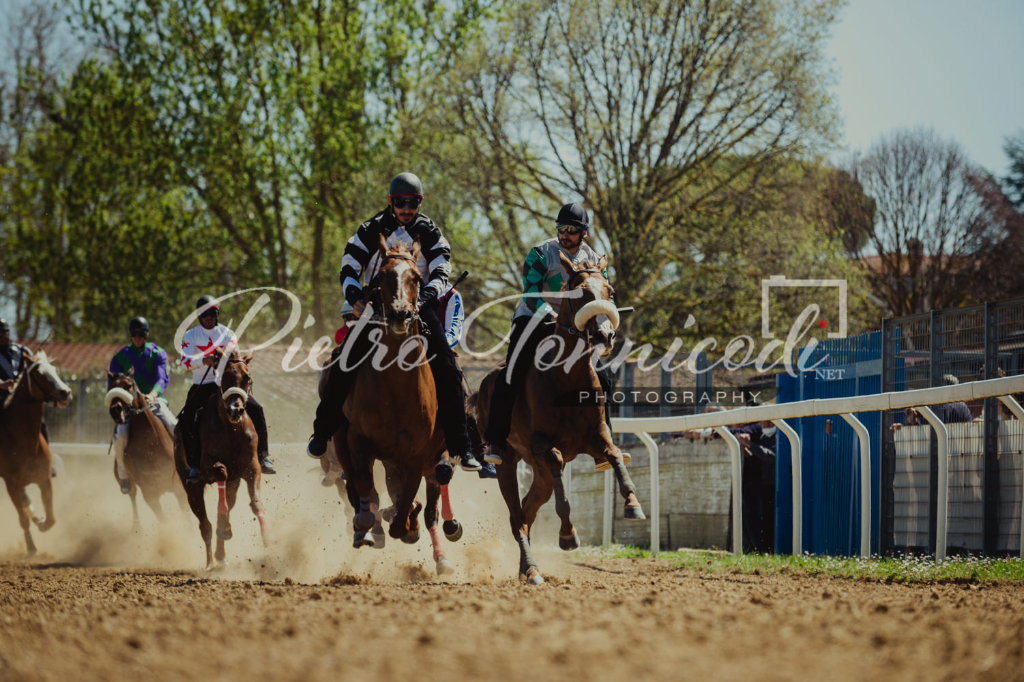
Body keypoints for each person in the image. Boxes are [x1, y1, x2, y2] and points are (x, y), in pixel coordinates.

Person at [306, 172, 483, 482]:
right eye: (400, 203)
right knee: (342, 361)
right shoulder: (370, 229)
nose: (406, 209)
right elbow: (349, 267)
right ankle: (322, 433)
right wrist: (355, 295)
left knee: (448, 366)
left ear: (420, 203)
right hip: (378, 305)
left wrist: (425, 297)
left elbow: (442, 270)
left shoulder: (429, 230)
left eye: (412, 203)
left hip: (418, 303)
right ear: (390, 202)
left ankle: (462, 447)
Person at [482, 203, 618, 466]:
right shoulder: (540, 253)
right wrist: (552, 316)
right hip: (533, 317)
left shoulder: (595, 261)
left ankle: (605, 444)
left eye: (571, 230)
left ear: (584, 233)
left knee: (604, 379)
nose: (564, 234)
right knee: (511, 373)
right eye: (561, 229)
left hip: (576, 324)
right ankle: (495, 440)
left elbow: (602, 294)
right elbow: (530, 293)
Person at [178, 295, 276, 483]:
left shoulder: (228, 334)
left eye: (213, 313)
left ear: (217, 314)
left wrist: (223, 363)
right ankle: (194, 465)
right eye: (205, 314)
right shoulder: (190, 336)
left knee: (256, 409)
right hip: (202, 386)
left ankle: (263, 457)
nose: (209, 317)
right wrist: (204, 361)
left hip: (227, 384)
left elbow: (234, 357)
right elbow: (184, 363)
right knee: (186, 416)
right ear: (199, 316)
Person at [107, 317, 178, 493]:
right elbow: (113, 383)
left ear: (146, 334)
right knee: (120, 436)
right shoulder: (120, 357)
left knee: (174, 426)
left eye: (142, 334)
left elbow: (162, 378)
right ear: (130, 335)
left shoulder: (158, 353)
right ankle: (124, 474)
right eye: (134, 334)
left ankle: (186, 468)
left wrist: (152, 395)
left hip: (155, 401)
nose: (138, 337)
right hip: (129, 407)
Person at [0, 318, 51, 449]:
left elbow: (34, 368)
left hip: (23, 398)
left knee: (40, 423)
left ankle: (46, 459)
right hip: (2, 398)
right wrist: (2, 384)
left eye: (5, 332)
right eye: (0, 333)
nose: (3, 336)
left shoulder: (22, 351)